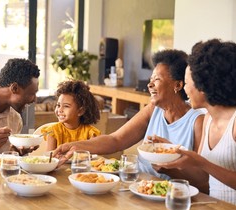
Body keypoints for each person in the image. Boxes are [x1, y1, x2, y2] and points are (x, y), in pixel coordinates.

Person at [53, 49, 205, 183]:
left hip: (171, 193)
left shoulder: (197, 121)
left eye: (157, 79)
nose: (149, 85)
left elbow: (202, 180)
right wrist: (75, 146)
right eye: (150, 80)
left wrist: (169, 166)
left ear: (177, 85)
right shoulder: (154, 109)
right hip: (138, 183)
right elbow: (116, 140)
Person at [158, 39, 236, 208]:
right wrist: (173, 152)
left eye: (187, 82)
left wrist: (203, 163)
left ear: (204, 85)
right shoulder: (207, 119)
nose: (184, 89)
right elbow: (203, 177)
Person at [40, 80, 101, 151]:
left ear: (80, 111)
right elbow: (50, 158)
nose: (60, 109)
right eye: (58, 105)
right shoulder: (53, 132)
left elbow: (93, 158)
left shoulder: (91, 133)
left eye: (66, 106)